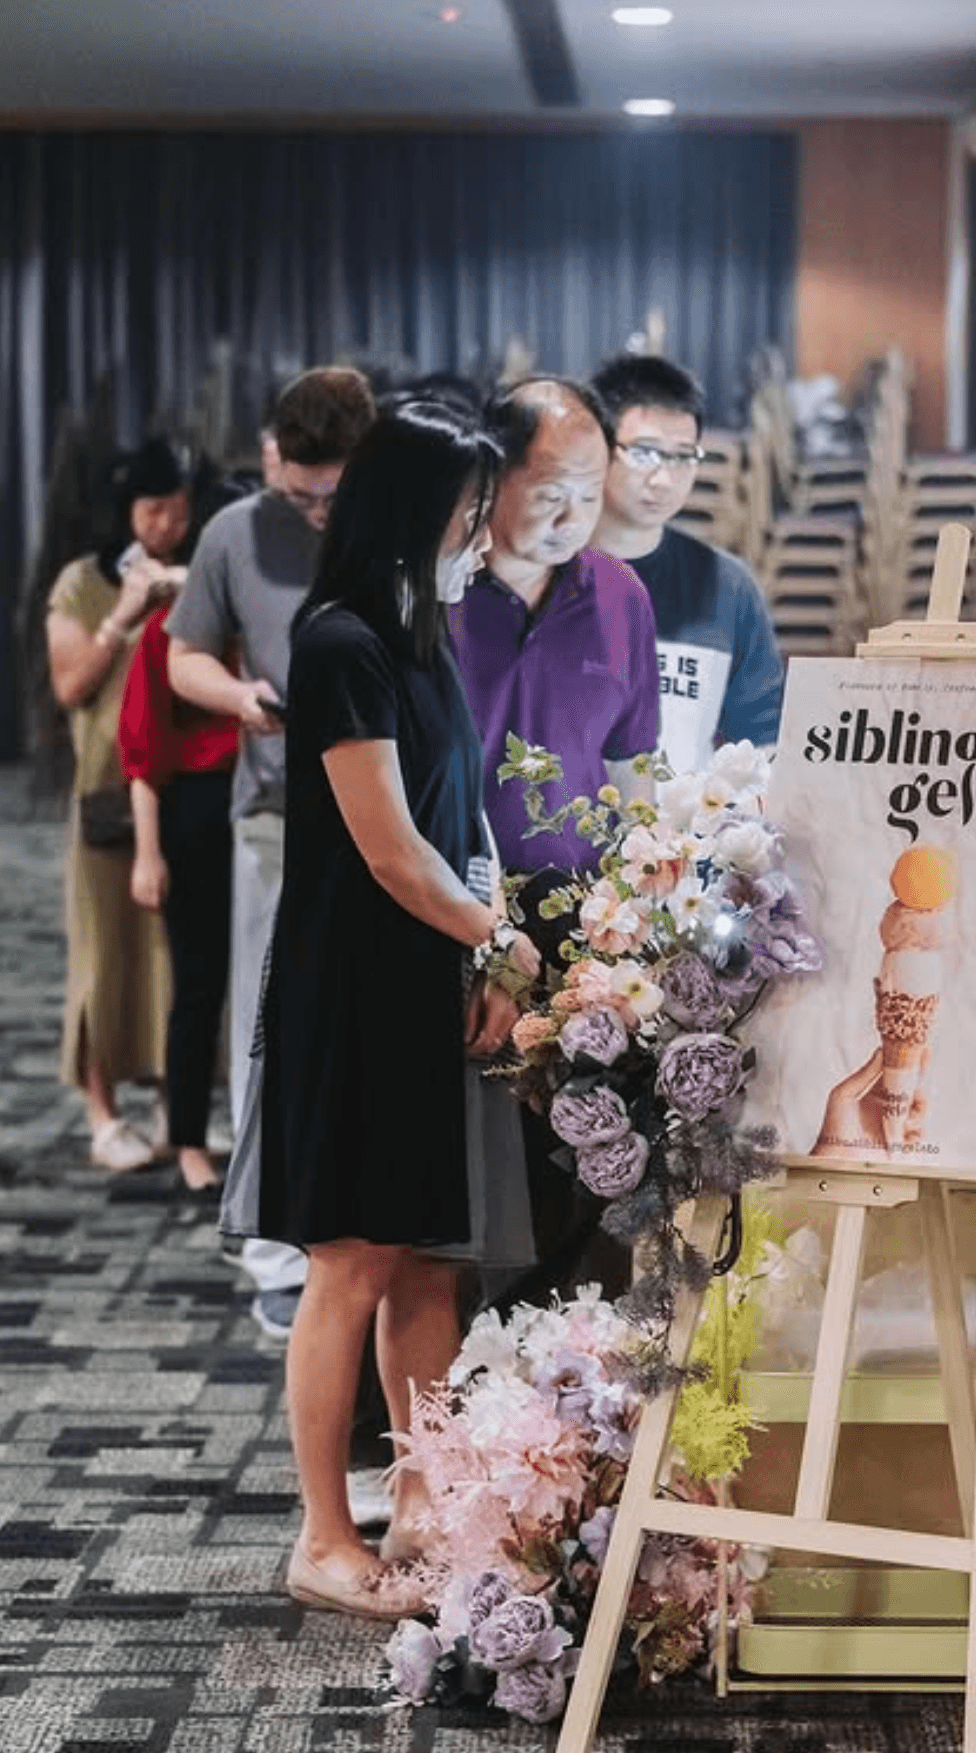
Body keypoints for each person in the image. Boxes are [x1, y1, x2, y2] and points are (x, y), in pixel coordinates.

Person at [249, 400, 530, 1617]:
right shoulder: (341, 642)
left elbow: (457, 826)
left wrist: (487, 943)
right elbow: (390, 853)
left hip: (425, 982)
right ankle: (322, 1533)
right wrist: (506, 942)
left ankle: (421, 1497)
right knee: (350, 1262)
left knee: (427, 1262)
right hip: (353, 993)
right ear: (417, 514)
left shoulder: (420, 635)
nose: (483, 535)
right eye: (470, 514)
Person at [167, 366, 377, 1338]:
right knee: (267, 1031)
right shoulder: (233, 532)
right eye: (300, 493)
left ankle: (365, 1227)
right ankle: (273, 1245)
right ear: (268, 459)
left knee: (373, 1038)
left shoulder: (400, 522)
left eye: (333, 495)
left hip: (391, 820)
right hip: (276, 818)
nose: (317, 512)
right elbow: (185, 654)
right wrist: (242, 699)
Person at [450, 376, 660, 1303]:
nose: (576, 515)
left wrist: (641, 911)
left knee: (576, 1163)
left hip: (582, 918)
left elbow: (634, 772)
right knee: (454, 1180)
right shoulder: (434, 596)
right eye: (551, 492)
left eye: (591, 488)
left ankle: (548, 1400)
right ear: (492, 480)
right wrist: (482, 934)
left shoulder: (620, 596)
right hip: (452, 907)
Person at [45, 438, 184, 1171]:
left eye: (178, 507)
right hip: (103, 790)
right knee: (101, 960)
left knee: (166, 961)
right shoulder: (81, 583)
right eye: (153, 508)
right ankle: (103, 1116)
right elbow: (69, 686)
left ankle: (171, 1109)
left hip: (176, 790)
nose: (167, 522)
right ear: (125, 511)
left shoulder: (190, 577)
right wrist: (123, 614)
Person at [590, 353, 784, 774]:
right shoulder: (548, 576)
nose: (664, 479)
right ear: (598, 447)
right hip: (563, 835)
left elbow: (762, 739)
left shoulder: (726, 586)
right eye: (644, 454)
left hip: (684, 835)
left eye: (682, 457)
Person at [118, 570, 239, 1196]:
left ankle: (256, 1133)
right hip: (192, 808)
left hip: (266, 806)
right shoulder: (167, 629)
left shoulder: (271, 620)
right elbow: (142, 754)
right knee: (198, 986)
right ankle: (189, 1139)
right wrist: (147, 853)